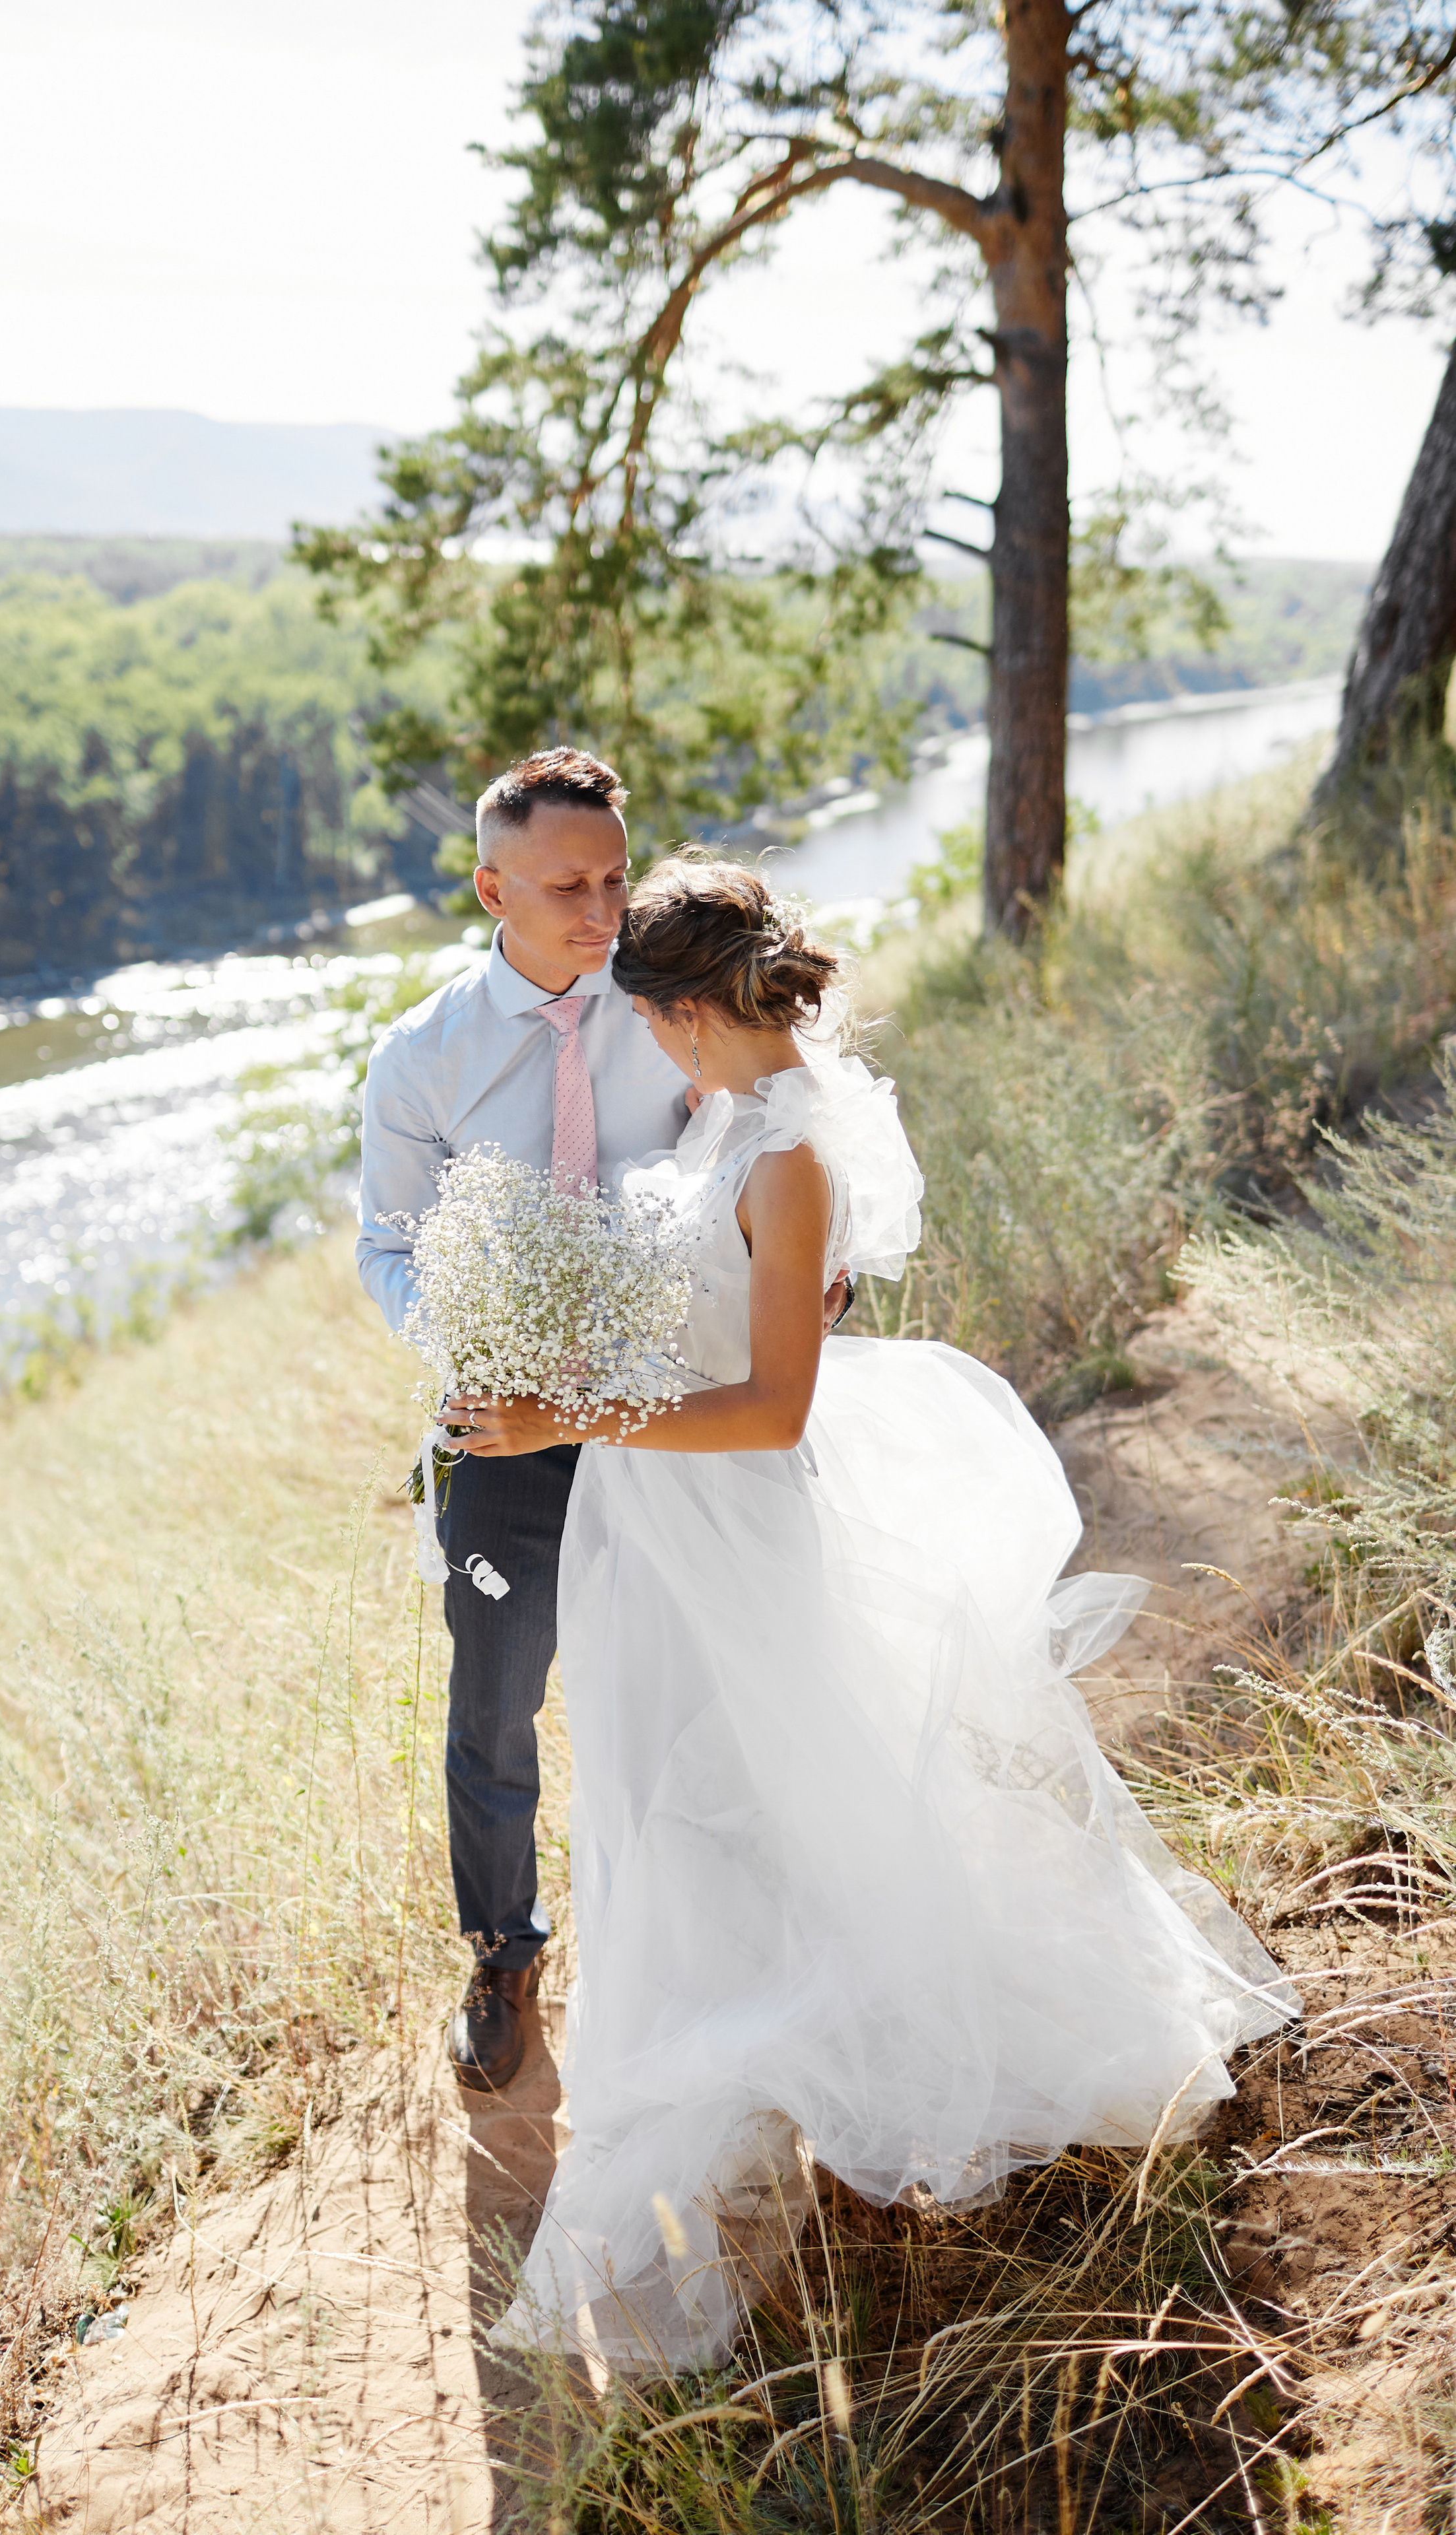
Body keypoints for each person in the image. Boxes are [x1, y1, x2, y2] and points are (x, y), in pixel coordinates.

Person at [446, 854, 1300, 2374]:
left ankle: (809, 2086)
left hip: (734, 1521)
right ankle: (770, 2086)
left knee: (761, 1801)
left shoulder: (787, 1156)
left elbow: (771, 1409)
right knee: (683, 1806)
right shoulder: (732, 1117)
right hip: (655, 1525)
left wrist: (566, 1410)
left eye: (652, 1022)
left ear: (694, 1013)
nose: (647, 1049)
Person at [357, 751, 847, 2093]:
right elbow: (386, 1252)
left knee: (691, 1701)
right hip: (504, 1432)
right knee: (495, 1701)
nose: (598, 904)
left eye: (615, 874)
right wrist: (477, 1346)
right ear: (489, 887)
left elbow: (760, 1159)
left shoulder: (671, 1005)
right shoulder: (418, 1059)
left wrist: (806, 1271)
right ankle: (501, 1954)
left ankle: (731, 1961)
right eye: (568, 882)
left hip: (684, 1423)